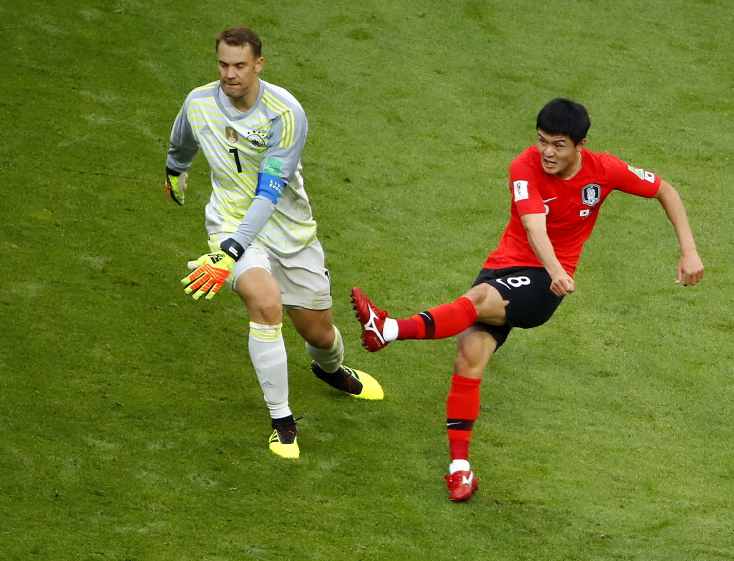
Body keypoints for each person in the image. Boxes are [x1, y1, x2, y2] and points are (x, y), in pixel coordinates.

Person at [352, 98, 704, 501]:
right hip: (508, 267)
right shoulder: (524, 167)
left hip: (542, 284)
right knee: (468, 357)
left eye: (558, 145)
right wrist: (554, 268)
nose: (547, 152)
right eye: (542, 142)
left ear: (579, 145)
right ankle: (460, 471)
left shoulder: (604, 170)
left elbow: (665, 189)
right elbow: (533, 226)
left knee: (480, 298)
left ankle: (390, 328)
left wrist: (688, 250)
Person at [165, 27, 383, 459]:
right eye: (223, 64)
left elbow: (270, 189)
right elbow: (182, 140)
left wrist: (229, 251)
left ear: (258, 65)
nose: (230, 74)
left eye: (240, 65)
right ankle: (282, 421)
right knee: (265, 304)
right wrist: (175, 169)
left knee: (319, 335)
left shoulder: (285, 112)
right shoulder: (199, 101)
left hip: (289, 231)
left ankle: (331, 369)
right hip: (230, 222)